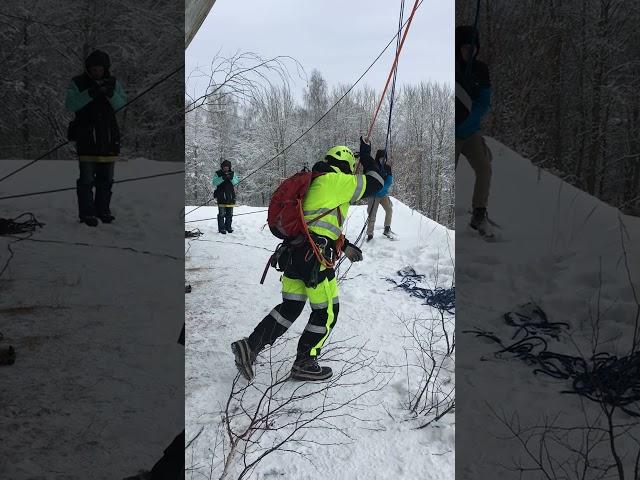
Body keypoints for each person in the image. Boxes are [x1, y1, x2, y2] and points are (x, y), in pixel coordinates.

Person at [231, 137, 385, 382]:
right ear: (345, 164)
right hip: (314, 259)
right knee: (328, 311)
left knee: (290, 308)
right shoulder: (336, 181)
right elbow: (378, 184)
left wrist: (343, 245)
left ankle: (250, 347)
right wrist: (367, 158)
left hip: (294, 255)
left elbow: (315, 223)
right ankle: (305, 361)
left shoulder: (313, 182)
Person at [65, 49, 127, 227]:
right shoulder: (77, 82)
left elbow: (122, 104)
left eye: (100, 68)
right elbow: (70, 104)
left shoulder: (113, 83)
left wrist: (110, 93)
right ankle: (87, 213)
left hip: (108, 137)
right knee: (86, 180)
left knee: (106, 179)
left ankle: (103, 210)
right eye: (94, 68)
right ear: (88, 68)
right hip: (86, 138)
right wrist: (89, 93)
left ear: (105, 68)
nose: (97, 71)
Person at [455, 25, 494, 238]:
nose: (469, 52)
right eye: (465, 48)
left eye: (473, 48)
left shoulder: (480, 70)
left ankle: (479, 213)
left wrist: (467, 122)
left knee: (484, 168)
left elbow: (484, 102)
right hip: (453, 133)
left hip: (469, 132)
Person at [366, 149, 394, 241]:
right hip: (373, 195)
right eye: (381, 158)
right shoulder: (373, 166)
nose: (383, 160)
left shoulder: (387, 168)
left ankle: (387, 228)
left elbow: (389, 181)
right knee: (372, 215)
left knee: (389, 209)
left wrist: (381, 189)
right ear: (378, 158)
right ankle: (370, 234)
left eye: (384, 158)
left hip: (383, 194)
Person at [211, 159, 240, 234]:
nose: (226, 168)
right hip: (221, 197)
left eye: (227, 167)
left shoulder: (233, 174)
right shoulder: (217, 173)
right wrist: (222, 178)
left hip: (230, 196)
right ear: (222, 167)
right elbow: (214, 182)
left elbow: (236, 182)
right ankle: (221, 228)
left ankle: (228, 227)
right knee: (221, 214)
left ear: (229, 167)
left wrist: (231, 178)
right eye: (224, 167)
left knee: (229, 214)